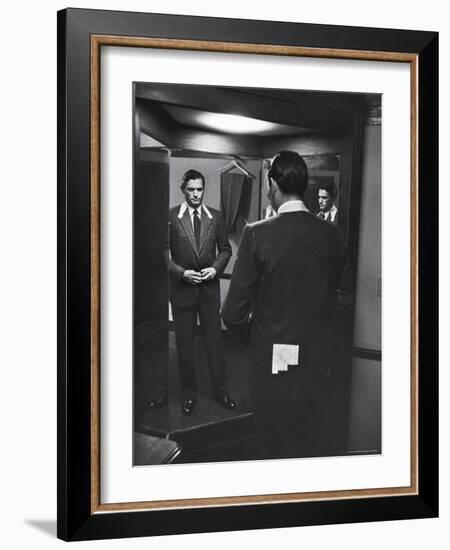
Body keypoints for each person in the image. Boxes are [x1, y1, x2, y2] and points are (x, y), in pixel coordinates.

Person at [222, 151, 352, 458]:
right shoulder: (333, 236)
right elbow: (344, 303)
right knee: (308, 446)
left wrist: (260, 338)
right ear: (304, 186)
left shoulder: (257, 234)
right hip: (317, 366)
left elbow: (232, 313)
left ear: (272, 184)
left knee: (270, 446)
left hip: (270, 368)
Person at [164, 169, 236, 416]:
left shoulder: (215, 217)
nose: (196, 194)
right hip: (182, 290)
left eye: (200, 189)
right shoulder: (172, 217)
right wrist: (181, 273)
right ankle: (189, 394)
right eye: (191, 189)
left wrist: (215, 270)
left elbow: (225, 250)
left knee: (214, 343)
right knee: (184, 345)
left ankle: (221, 391)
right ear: (183, 189)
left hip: (208, 291)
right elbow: (163, 253)